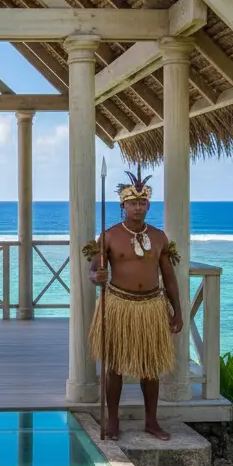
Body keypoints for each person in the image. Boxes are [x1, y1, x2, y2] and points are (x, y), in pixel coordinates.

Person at [87, 168, 182, 441]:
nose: (137, 207)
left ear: (148, 205)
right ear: (123, 206)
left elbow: (170, 278)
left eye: (142, 203)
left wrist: (176, 310)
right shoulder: (108, 236)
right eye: (132, 203)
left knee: (150, 367)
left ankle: (151, 422)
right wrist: (97, 276)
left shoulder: (160, 237)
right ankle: (113, 421)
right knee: (114, 365)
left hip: (152, 306)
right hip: (119, 305)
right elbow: (93, 272)